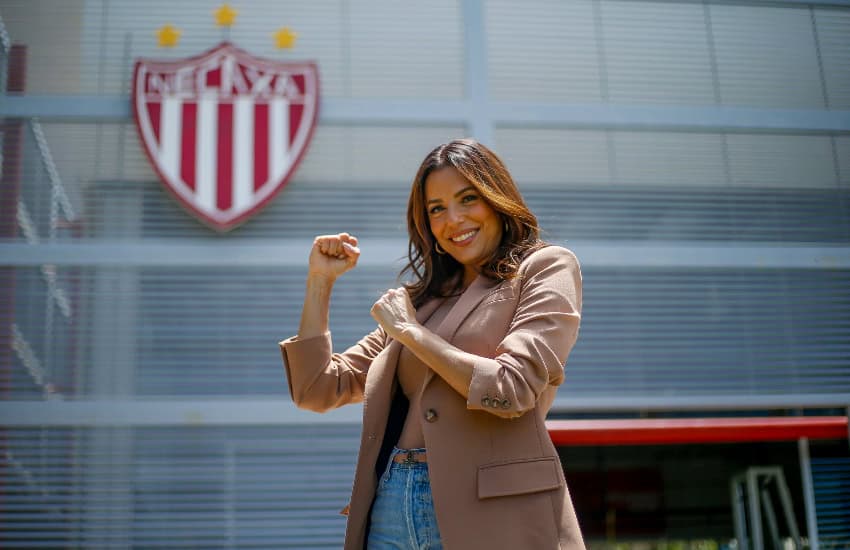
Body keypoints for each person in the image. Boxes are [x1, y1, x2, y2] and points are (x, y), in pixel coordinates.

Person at [279, 138, 585, 550]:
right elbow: (317, 389)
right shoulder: (422, 301)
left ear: (498, 199)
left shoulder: (544, 268)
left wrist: (412, 334)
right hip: (391, 504)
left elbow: (513, 389)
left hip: (493, 512)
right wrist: (320, 282)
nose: (453, 219)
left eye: (468, 199)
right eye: (436, 208)